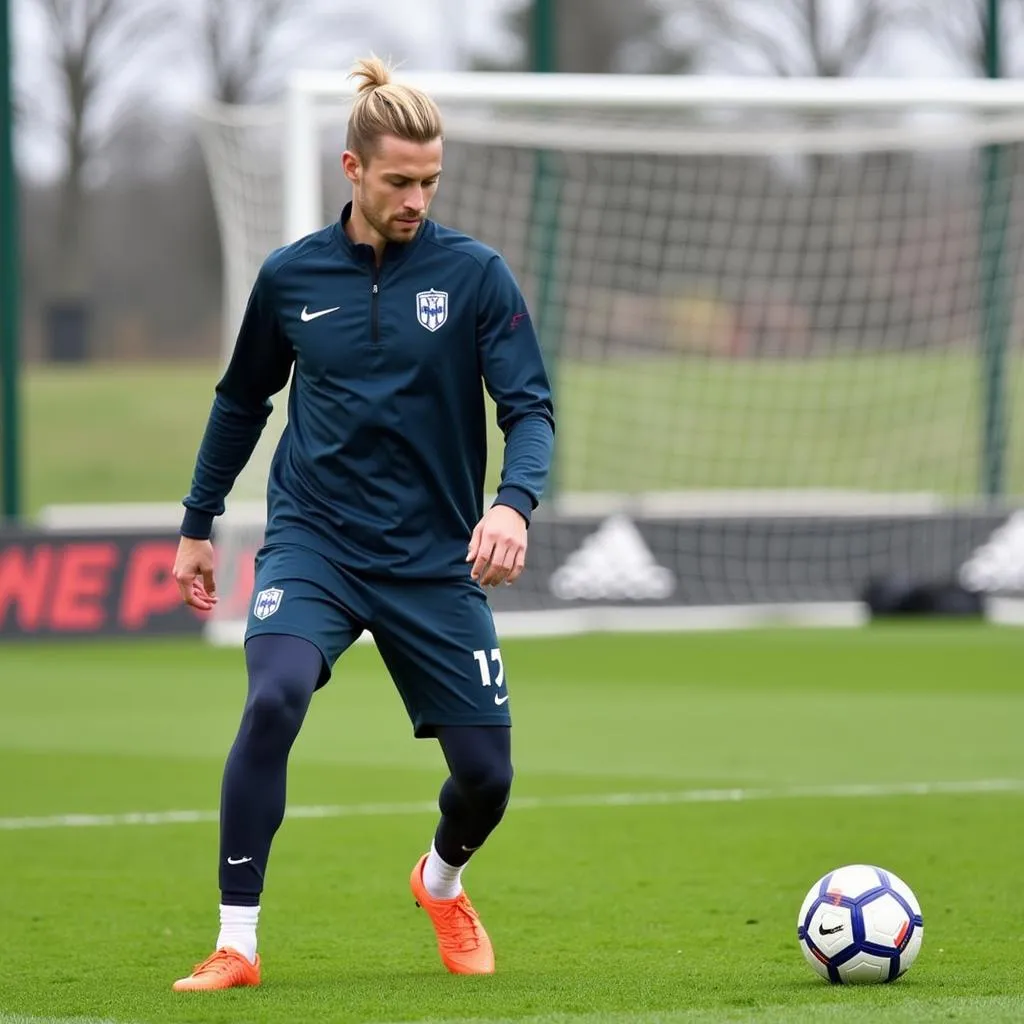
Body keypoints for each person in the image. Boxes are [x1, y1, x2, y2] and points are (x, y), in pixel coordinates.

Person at [170, 56, 555, 992]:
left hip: (434, 558)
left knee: (489, 780)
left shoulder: (475, 276)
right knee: (272, 700)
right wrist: (196, 523)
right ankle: (237, 944)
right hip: (317, 543)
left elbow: (530, 409)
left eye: (430, 180)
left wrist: (513, 503)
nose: (416, 196)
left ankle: (440, 880)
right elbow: (240, 402)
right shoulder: (292, 275)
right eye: (398, 180)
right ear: (352, 170)